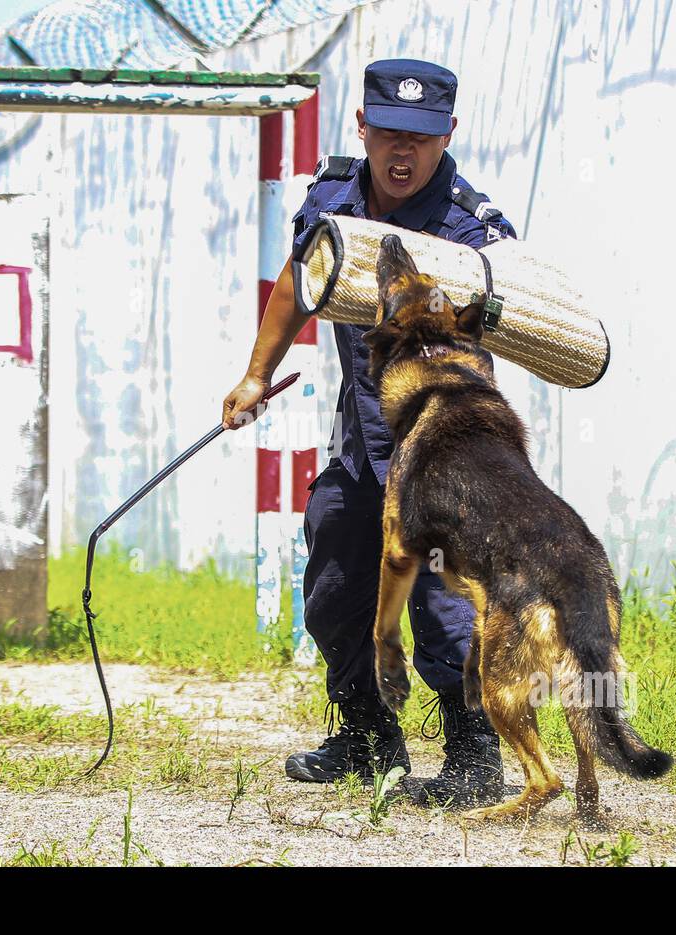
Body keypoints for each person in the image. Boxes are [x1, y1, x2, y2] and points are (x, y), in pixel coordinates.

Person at [221, 58, 517, 807]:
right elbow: (299, 280)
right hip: (365, 446)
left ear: (447, 134)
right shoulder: (335, 200)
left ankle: (474, 757)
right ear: (362, 127)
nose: (402, 153)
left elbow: (514, 330)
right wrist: (256, 375)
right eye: (388, 133)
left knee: (444, 606)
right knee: (332, 586)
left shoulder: (470, 227)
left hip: (443, 459)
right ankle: (364, 737)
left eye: (420, 139)